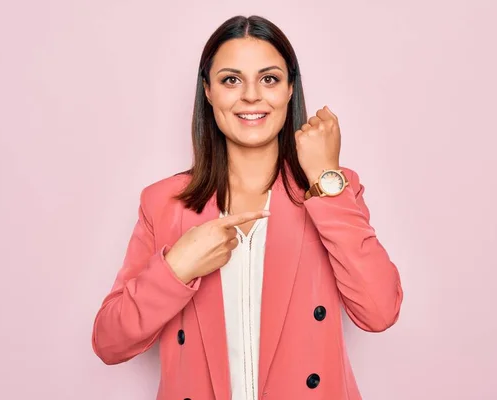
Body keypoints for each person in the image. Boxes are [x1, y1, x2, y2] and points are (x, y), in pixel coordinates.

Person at [92, 15, 403, 400]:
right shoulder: (163, 203)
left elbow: (379, 311)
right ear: (208, 91)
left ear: (290, 90)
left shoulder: (330, 190)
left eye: (269, 79)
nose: (251, 95)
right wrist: (177, 268)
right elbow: (109, 342)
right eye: (231, 80)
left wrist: (325, 176)